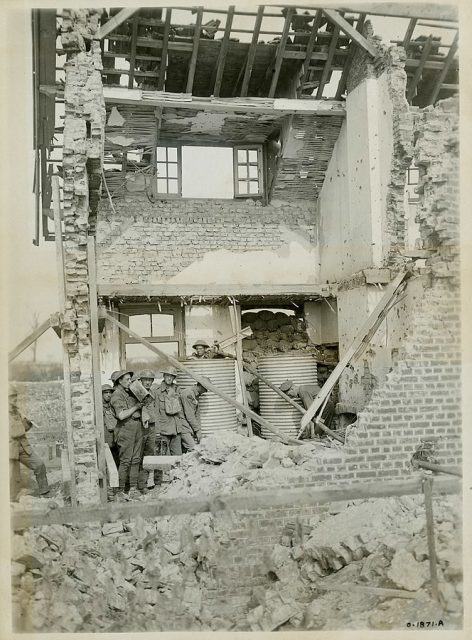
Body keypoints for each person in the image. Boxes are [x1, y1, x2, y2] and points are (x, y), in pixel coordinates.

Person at [9, 388, 49, 500]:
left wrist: (28, 422)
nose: (14, 399)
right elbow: (13, 432)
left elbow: (22, 430)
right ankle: (11, 501)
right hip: (10, 449)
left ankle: (44, 492)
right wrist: (21, 426)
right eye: (11, 397)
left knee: (39, 464)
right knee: (12, 476)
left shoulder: (16, 412)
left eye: (15, 396)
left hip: (23, 447)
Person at [110, 370, 144, 500]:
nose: (130, 382)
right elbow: (121, 415)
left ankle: (133, 489)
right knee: (125, 461)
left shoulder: (128, 392)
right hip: (125, 429)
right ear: (120, 381)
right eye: (128, 379)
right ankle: (120, 491)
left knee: (135, 460)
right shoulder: (117, 395)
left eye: (130, 379)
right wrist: (136, 407)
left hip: (136, 426)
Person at [135, 369, 157, 493]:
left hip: (152, 427)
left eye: (150, 380)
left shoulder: (153, 393)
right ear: (141, 380)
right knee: (139, 455)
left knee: (149, 455)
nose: (148, 382)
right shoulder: (137, 393)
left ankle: (147, 482)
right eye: (145, 380)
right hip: (141, 427)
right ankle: (139, 484)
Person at [155, 366, 184, 455]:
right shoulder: (158, 391)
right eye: (167, 375)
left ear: (174, 378)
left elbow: (181, 410)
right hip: (163, 430)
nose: (169, 378)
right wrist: (157, 431)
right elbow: (156, 412)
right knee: (162, 457)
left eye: (171, 376)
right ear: (164, 376)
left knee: (178, 457)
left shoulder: (177, 390)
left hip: (176, 430)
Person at [179, 376, 211, 451]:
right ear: (201, 386)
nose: (206, 391)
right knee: (193, 449)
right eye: (206, 389)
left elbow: (196, 414)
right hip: (183, 427)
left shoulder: (195, 394)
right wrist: (197, 430)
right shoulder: (188, 394)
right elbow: (190, 415)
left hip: (189, 427)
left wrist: (198, 430)